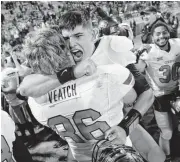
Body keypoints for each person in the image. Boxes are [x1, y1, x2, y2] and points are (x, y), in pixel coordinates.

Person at [22, 27, 165, 162]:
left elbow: (25, 88)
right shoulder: (105, 75)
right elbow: (133, 97)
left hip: (82, 154)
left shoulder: (34, 101)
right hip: (117, 150)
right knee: (155, 154)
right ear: (63, 50)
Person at [136, 21, 180, 161]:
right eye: (158, 34)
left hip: (178, 92)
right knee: (166, 132)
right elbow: (139, 69)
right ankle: (167, 157)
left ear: (169, 33)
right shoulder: (148, 51)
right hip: (160, 96)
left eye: (164, 32)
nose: (162, 36)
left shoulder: (178, 44)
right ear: (152, 37)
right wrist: (135, 55)